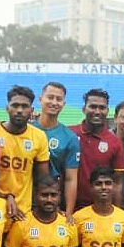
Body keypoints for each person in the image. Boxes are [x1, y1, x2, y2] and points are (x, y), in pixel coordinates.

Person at [0, 85, 50, 215]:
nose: (19, 110)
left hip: (23, 211)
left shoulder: (39, 136)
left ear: (32, 110)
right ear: (7, 108)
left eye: (24, 106)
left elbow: (43, 179)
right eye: (15, 105)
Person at [71, 88, 124, 209]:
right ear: (84, 109)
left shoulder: (115, 142)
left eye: (102, 108)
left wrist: (117, 214)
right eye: (93, 106)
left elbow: (117, 182)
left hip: (99, 210)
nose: (97, 111)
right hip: (69, 208)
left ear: (107, 111)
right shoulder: (70, 134)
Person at [32, 82, 80, 215]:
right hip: (25, 201)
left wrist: (68, 213)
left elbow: (71, 178)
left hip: (51, 203)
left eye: (59, 99)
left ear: (63, 104)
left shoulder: (70, 137)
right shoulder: (27, 129)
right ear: (40, 99)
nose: (54, 102)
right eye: (50, 97)